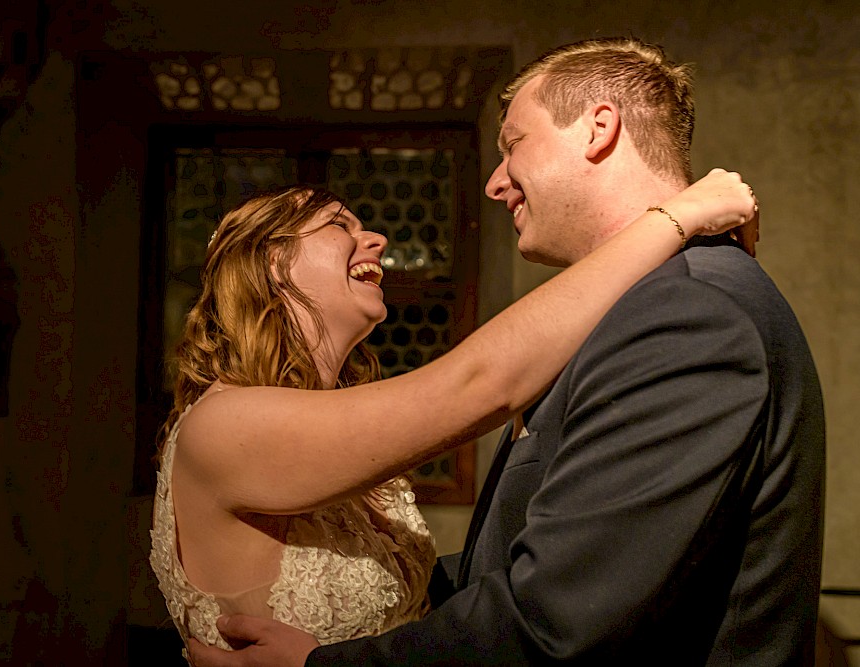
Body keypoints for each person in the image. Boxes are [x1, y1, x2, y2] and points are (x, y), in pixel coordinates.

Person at [186, 35, 818, 666]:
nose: (493, 184)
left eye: (513, 144)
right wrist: (679, 213)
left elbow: (557, 620)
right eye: (338, 228)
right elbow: (483, 403)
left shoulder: (685, 314)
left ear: (599, 129)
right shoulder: (651, 306)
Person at [149, 169, 756, 655]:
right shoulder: (224, 427)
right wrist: (675, 219)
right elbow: (477, 384)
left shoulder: (311, 421)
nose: (376, 240)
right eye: (338, 225)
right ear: (270, 264)